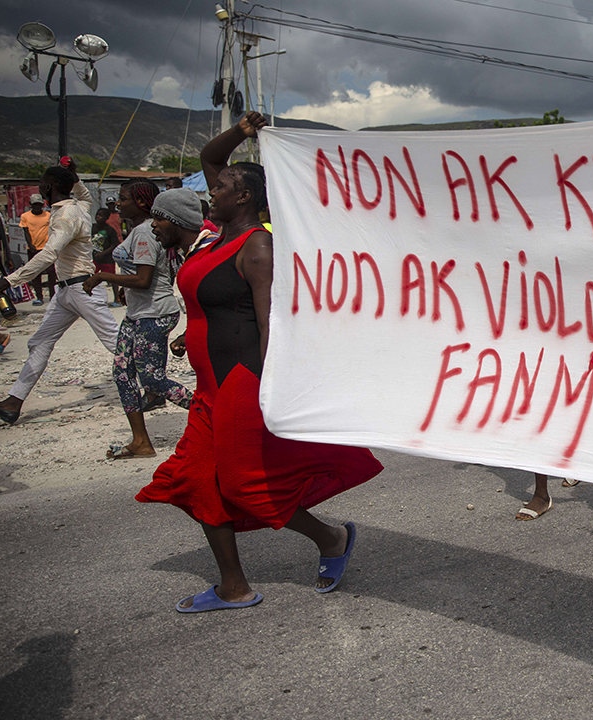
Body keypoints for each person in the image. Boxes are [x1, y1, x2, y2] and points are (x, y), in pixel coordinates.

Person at [135, 111, 383, 612]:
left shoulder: (258, 246)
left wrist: (275, 386)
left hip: (243, 382)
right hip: (208, 383)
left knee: (246, 483)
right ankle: (234, 587)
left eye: (223, 186)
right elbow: (211, 156)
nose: (214, 190)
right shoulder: (212, 236)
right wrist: (244, 132)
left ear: (244, 196)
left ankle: (331, 538)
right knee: (199, 480)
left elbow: (272, 322)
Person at [0, 163, 119, 425]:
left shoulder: (65, 217)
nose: (40, 186)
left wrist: (8, 281)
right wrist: (74, 176)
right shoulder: (80, 206)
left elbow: (50, 253)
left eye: (42, 183)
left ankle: (153, 384)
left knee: (115, 342)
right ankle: (13, 401)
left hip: (81, 288)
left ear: (48, 188)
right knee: (39, 343)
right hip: (66, 291)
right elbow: (85, 195)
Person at [84, 182, 194, 460]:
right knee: (122, 374)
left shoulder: (146, 232)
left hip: (154, 313)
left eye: (123, 199)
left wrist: (104, 276)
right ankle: (141, 441)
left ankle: (213, 416)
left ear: (142, 203)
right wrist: (124, 285)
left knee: (153, 381)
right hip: (137, 313)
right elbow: (143, 272)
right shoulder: (140, 231)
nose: (118, 204)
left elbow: (144, 281)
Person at [19, 194, 56, 305]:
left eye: (39, 205)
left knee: (51, 272)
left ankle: (53, 296)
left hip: (47, 248)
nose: (37, 207)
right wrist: (30, 245)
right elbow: (26, 231)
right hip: (33, 249)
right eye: (35, 205)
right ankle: (39, 297)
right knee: (36, 273)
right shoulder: (25, 216)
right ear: (31, 205)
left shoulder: (48, 216)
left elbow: (52, 230)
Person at [91, 207, 125, 308]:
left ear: (106, 217)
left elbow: (114, 244)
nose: (98, 217)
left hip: (107, 259)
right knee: (92, 278)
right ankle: (92, 298)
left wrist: (103, 253)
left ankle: (116, 298)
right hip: (95, 258)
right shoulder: (92, 228)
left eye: (101, 215)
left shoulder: (110, 230)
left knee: (112, 279)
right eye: (97, 214)